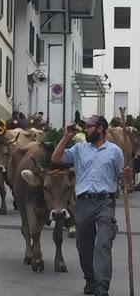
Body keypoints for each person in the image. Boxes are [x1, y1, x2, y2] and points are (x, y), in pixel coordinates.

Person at [51, 115, 132, 296]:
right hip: (84, 202)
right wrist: (66, 137)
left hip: (105, 201)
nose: (86, 129)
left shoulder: (114, 151)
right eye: (86, 126)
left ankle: (102, 286)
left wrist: (126, 174)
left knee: (103, 242)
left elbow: (122, 175)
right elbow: (56, 158)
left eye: (90, 126)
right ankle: (90, 279)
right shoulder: (79, 149)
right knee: (84, 244)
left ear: (101, 129)